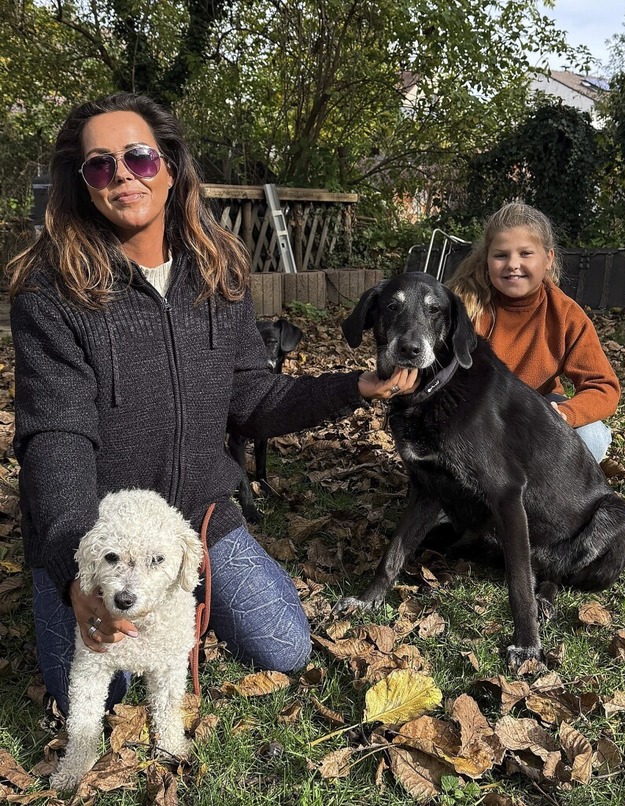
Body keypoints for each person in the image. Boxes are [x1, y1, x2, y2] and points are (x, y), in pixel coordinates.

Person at [8, 92, 418, 718]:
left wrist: (352, 387)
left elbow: (254, 397)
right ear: (83, 183)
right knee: (99, 696)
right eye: (99, 164)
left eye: (139, 157)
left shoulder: (217, 271)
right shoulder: (52, 290)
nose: (121, 174)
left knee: (285, 647)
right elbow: (55, 438)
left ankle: (208, 592)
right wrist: (72, 566)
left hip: (195, 520)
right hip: (99, 533)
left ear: (169, 168)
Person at [448, 202, 620, 464]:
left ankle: (544, 490)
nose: (512, 264)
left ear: (548, 259)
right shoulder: (465, 305)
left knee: (592, 437)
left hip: (539, 412)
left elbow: (604, 386)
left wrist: (565, 413)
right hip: (477, 415)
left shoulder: (565, 315)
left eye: (526, 253)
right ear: (487, 260)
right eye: (501, 255)